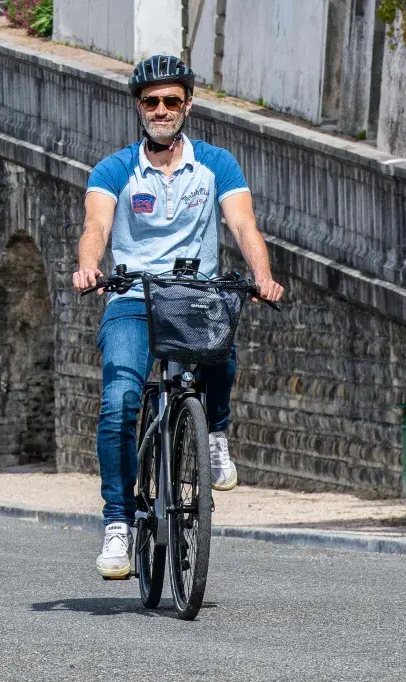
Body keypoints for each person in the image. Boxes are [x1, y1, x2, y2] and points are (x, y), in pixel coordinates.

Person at [70, 55, 285, 580]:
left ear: (187, 105)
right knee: (120, 399)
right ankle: (118, 522)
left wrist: (264, 275)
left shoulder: (218, 163)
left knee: (222, 355)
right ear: (138, 107)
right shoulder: (115, 169)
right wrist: (88, 266)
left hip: (195, 294)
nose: (161, 110)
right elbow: (96, 224)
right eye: (151, 102)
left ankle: (213, 433)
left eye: (171, 101)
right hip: (132, 298)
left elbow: (243, 224)